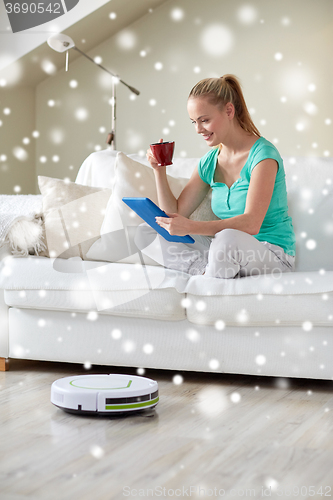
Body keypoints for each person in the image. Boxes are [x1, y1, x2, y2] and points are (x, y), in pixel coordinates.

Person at [135, 74, 296, 279]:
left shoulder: (263, 156)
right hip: (225, 250)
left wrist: (193, 226)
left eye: (205, 120)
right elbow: (173, 215)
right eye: (194, 122)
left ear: (229, 111)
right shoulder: (209, 162)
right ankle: (205, 272)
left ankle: (213, 276)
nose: (198, 129)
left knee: (226, 239)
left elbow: (251, 224)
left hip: (271, 254)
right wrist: (159, 170)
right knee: (145, 232)